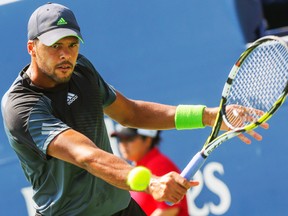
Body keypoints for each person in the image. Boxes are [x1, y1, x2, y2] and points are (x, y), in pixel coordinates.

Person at [1, 3, 266, 216]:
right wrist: (151, 183)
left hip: (121, 209)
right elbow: (86, 155)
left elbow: (131, 113)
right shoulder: (21, 106)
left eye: (72, 45)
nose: (65, 55)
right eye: (55, 45)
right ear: (32, 48)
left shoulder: (81, 70)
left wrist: (208, 116)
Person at [111, 126, 189, 216]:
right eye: (120, 139)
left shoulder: (159, 164)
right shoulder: (137, 168)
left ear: (148, 140)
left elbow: (169, 210)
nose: (123, 144)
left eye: (129, 138)